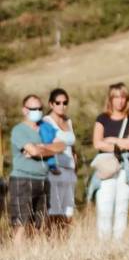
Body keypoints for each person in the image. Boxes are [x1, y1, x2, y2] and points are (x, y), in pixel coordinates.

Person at [8, 95, 64, 244]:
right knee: (21, 223)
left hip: (43, 180)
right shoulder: (19, 130)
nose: (37, 111)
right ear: (24, 110)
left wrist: (41, 148)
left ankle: (36, 257)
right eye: (33, 109)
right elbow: (33, 151)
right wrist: (44, 149)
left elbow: (61, 146)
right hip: (22, 181)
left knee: (41, 224)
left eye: (40, 108)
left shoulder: (45, 128)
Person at [92, 82, 129, 240]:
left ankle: (119, 242)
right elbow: (97, 143)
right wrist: (122, 144)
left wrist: (112, 140)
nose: (120, 101)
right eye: (116, 97)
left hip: (126, 167)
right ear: (110, 99)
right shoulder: (102, 118)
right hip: (107, 167)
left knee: (122, 206)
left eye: (123, 97)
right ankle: (103, 242)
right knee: (104, 205)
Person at [43, 88, 78, 232]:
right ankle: (52, 242)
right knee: (54, 211)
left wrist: (75, 162)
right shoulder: (46, 122)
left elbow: (72, 146)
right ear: (51, 104)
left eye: (65, 103)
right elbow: (46, 145)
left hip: (70, 170)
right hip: (55, 170)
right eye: (58, 103)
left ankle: (63, 241)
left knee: (68, 212)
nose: (61, 106)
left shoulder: (68, 121)